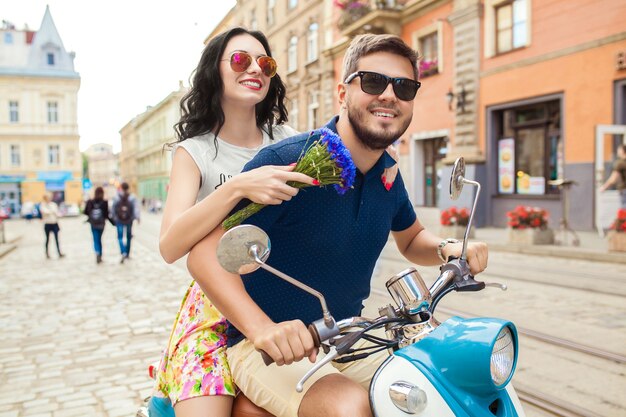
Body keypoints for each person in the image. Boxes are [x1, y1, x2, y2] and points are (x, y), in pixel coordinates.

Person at [187, 34, 489, 417]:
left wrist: (449, 248)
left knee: (438, 388)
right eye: (373, 82)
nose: (389, 95)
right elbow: (203, 253)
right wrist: (263, 330)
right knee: (349, 407)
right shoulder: (290, 161)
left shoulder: (388, 174)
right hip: (269, 348)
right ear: (342, 93)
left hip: (350, 336)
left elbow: (411, 238)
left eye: (405, 86)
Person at [151, 27, 322, 417]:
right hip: (214, 308)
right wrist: (238, 186)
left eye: (265, 63)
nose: (255, 70)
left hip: (280, 300)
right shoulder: (193, 152)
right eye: (241, 60)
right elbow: (169, 245)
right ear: (216, 69)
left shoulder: (287, 139)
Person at [84, 186, 115, 264]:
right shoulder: (104, 202)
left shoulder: (90, 201)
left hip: (93, 223)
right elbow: (106, 214)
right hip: (101, 224)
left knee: (95, 239)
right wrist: (113, 223)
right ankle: (100, 255)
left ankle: (97, 252)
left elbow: (85, 212)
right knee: (99, 239)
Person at [112, 182, 140, 263]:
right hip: (129, 220)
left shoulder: (117, 196)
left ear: (121, 188)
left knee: (120, 237)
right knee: (128, 237)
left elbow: (113, 208)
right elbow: (136, 208)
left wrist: (114, 217)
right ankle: (127, 254)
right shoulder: (132, 197)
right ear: (128, 188)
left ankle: (123, 252)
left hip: (119, 220)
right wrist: (137, 217)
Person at [40, 193, 64, 259]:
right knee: (47, 239)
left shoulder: (53, 204)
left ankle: (59, 252)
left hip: (54, 223)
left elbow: (56, 213)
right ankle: (47, 253)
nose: (49, 198)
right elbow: (45, 212)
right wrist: (52, 212)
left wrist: (58, 214)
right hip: (47, 224)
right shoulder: (43, 205)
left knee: (57, 239)